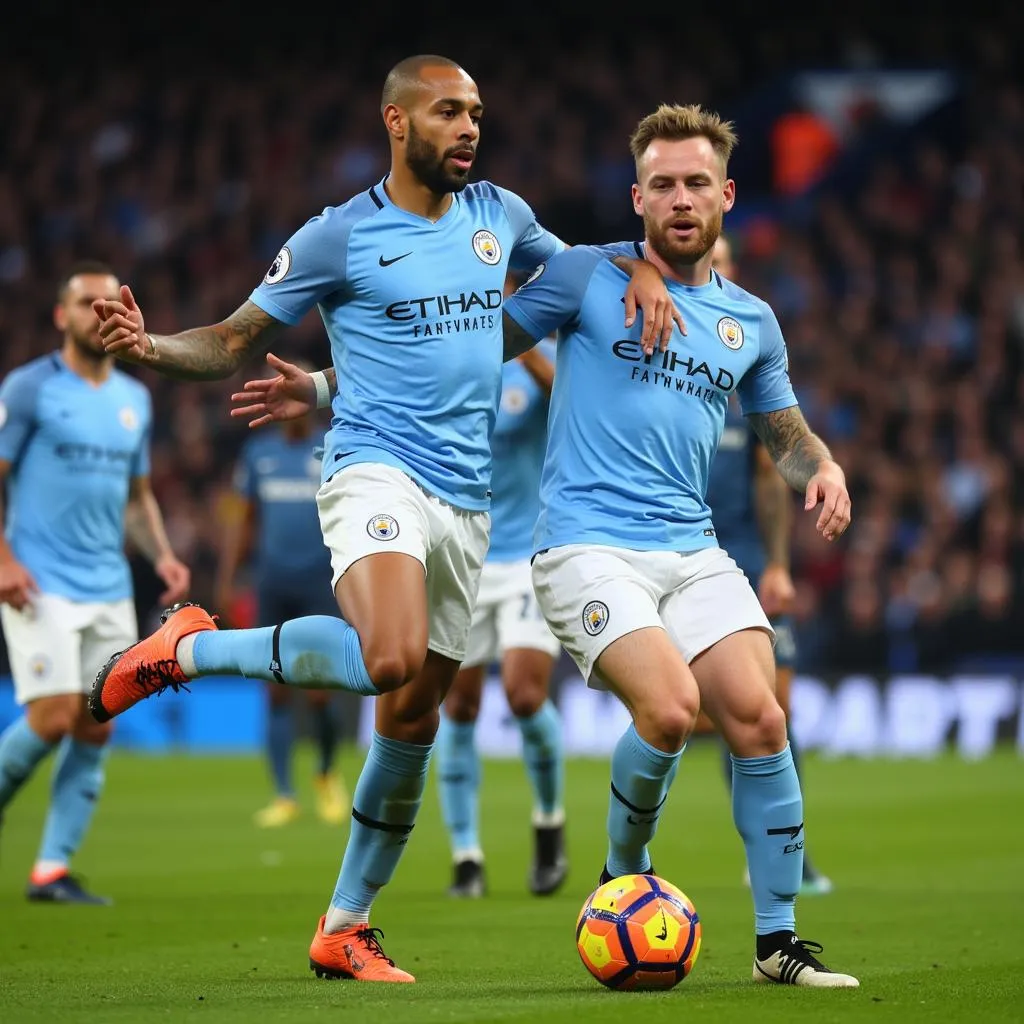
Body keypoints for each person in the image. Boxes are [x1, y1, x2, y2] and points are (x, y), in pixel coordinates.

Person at [87, 55, 681, 982]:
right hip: (374, 473)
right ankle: (186, 647)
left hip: (469, 500)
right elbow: (233, 340)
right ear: (398, 124)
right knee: (392, 657)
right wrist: (149, 344)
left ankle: (345, 926)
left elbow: (576, 266)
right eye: (449, 112)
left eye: (478, 111)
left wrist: (638, 268)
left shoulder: (501, 218)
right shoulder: (338, 237)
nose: (470, 128)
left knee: (410, 723)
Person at [499, 104, 859, 987]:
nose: (681, 197)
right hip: (585, 546)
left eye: (697, 182)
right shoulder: (589, 276)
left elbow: (783, 434)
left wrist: (823, 466)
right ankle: (622, 876)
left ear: (728, 195)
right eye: (662, 184)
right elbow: (475, 346)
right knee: (668, 711)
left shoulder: (752, 321)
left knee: (761, 716)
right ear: (637, 199)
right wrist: (326, 387)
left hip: (691, 550)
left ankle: (777, 945)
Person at [0, 261, 190, 904]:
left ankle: (51, 870)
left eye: (111, 303)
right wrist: (2, 560)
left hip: (108, 584)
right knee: (54, 716)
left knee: (96, 723)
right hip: (39, 581)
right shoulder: (28, 390)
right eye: (86, 303)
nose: (99, 313)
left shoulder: (134, 400)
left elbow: (137, 499)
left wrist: (161, 555)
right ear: (61, 315)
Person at [703, 234, 832, 896]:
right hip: (676, 554)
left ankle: (784, 855)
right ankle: (631, 860)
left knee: (772, 709)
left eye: (725, 262)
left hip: (748, 561)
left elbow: (772, 469)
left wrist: (779, 565)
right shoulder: (658, 356)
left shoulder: (744, 356)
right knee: (687, 714)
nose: (715, 269)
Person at [435, 302, 565, 899]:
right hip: (465, 556)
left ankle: (548, 823)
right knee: (457, 708)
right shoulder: (448, 365)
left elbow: (573, 398)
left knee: (523, 693)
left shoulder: (536, 363)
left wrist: (521, 345)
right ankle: (467, 856)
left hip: (528, 555)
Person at [214, 369, 348, 829]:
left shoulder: (331, 445)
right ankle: (284, 794)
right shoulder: (258, 453)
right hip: (272, 582)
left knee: (317, 692)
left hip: (318, 582)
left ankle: (327, 775)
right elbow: (244, 519)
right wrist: (229, 578)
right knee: (274, 694)